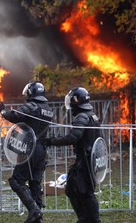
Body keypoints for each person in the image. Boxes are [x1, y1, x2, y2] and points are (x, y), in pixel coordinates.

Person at [43, 87, 102, 223]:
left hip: (85, 161)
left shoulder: (82, 116)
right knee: (73, 186)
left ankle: (90, 218)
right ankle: (86, 218)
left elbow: (73, 137)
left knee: (84, 191)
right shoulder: (91, 114)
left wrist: (52, 141)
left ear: (76, 101)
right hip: (89, 160)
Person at [0, 82, 54, 223]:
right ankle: (38, 217)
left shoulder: (32, 106)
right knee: (35, 183)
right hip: (42, 150)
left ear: (31, 93)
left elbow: (16, 116)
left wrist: (4, 111)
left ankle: (34, 211)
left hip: (30, 149)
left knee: (16, 180)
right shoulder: (48, 108)